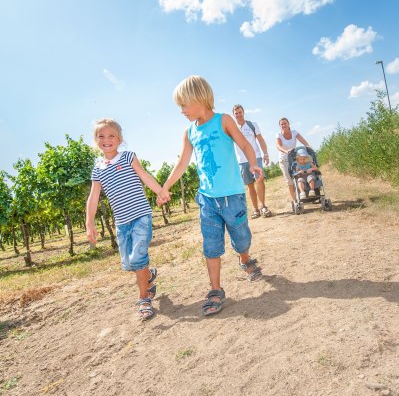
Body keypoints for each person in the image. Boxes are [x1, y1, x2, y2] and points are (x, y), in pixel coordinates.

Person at [160, 75, 263, 317]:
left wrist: (253, 164)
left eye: (184, 105)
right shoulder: (189, 132)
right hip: (207, 199)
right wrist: (165, 187)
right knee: (211, 246)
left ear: (199, 98)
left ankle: (245, 259)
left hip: (233, 197)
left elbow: (245, 145)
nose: (182, 111)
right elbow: (182, 162)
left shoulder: (223, 120)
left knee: (241, 239)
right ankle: (216, 290)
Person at [86, 119, 170, 321]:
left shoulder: (128, 157)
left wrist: (160, 191)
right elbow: (93, 197)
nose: (106, 140)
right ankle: (148, 276)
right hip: (122, 223)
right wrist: (89, 223)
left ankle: (144, 300)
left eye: (111, 136)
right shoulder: (98, 169)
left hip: (141, 215)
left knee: (138, 258)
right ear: (96, 140)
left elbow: (144, 176)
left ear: (119, 139)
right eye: (101, 136)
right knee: (130, 263)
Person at [232, 104, 273, 219]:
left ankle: (263, 206)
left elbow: (260, 140)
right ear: (234, 115)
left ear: (243, 112)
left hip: (256, 158)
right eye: (236, 113)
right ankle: (256, 210)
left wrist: (265, 154)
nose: (239, 114)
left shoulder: (252, 125)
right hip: (242, 161)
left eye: (240, 112)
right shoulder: (233, 128)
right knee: (250, 186)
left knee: (259, 180)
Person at [275, 117, 311, 203]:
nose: (283, 125)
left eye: (285, 123)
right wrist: (286, 151)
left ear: (288, 124)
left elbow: (302, 140)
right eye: (282, 124)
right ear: (280, 126)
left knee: (299, 176)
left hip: (294, 159)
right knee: (290, 181)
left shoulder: (294, 132)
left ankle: (303, 193)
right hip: (284, 160)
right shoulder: (278, 135)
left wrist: (308, 146)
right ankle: (295, 201)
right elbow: (278, 146)